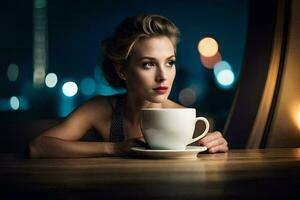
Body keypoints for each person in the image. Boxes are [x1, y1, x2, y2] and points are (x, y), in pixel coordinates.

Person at [29, 14, 228, 158]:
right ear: (122, 70)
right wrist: (114, 148)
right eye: (148, 64)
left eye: (170, 62)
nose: (162, 76)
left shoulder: (187, 120)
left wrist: (216, 144)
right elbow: (38, 147)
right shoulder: (101, 109)